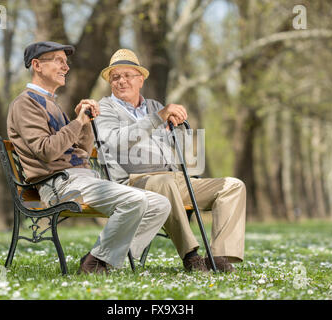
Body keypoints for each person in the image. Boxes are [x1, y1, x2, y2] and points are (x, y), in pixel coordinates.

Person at [6, 42, 170, 274]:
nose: (66, 66)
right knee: (134, 200)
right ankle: (96, 263)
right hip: (59, 184)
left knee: (160, 204)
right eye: (58, 60)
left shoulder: (52, 104)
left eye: (66, 62)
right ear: (37, 65)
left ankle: (101, 260)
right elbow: (46, 151)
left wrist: (85, 124)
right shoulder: (26, 104)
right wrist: (78, 122)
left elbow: (81, 152)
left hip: (80, 180)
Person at [96, 49, 246, 272]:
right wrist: (158, 118)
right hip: (133, 182)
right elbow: (116, 142)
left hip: (174, 179)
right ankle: (191, 257)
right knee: (164, 184)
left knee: (233, 186)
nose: (121, 81)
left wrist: (176, 126)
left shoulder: (154, 106)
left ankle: (220, 259)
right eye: (115, 77)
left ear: (141, 79)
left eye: (127, 75)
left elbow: (174, 145)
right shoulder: (106, 108)